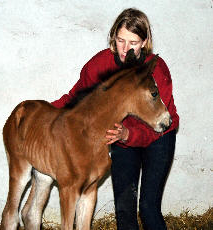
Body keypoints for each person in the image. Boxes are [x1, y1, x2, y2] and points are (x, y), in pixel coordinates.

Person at [51, 8, 179, 230]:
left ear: (145, 41)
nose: (125, 48)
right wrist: (43, 112)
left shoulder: (156, 69)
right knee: (124, 209)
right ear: (113, 36)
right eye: (121, 40)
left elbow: (162, 120)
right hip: (121, 138)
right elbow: (75, 97)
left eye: (133, 42)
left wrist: (129, 134)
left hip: (159, 136)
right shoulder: (100, 65)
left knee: (148, 207)